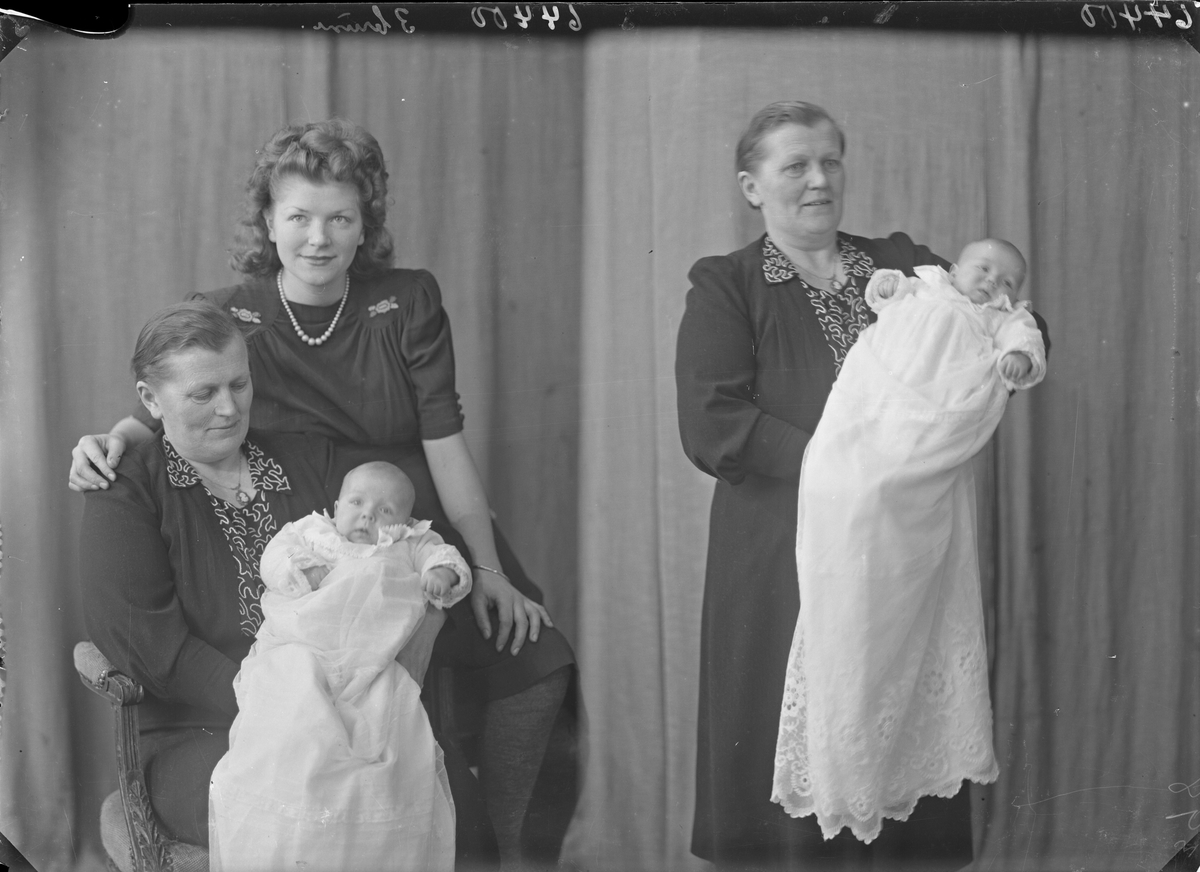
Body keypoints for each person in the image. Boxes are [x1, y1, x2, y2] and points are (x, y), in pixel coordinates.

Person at [68, 119, 576, 867]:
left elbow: (445, 442)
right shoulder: (226, 320)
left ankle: (502, 846)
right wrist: (113, 441)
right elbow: (178, 394)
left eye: (340, 217)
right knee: (334, 779)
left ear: (366, 223)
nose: (317, 236)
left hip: (397, 528)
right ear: (268, 220)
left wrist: (487, 565)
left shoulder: (400, 307)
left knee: (518, 671)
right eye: (298, 216)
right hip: (282, 639)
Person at [674, 101, 1050, 871]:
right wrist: (848, 472)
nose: (819, 180)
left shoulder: (904, 259)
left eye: (830, 162)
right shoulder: (728, 285)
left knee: (900, 740)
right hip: (783, 557)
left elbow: (1002, 308)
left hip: (906, 551)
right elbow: (713, 422)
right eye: (795, 166)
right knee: (800, 766)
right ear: (752, 187)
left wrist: (1008, 354)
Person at [771, 239, 1046, 844]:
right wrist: (887, 289)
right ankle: (842, 762)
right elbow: (883, 293)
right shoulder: (926, 283)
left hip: (929, 431)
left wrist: (1018, 361)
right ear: (955, 269)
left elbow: (1026, 341)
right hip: (876, 412)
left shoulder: (1004, 319)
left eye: (1006, 280)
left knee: (899, 584)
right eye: (982, 270)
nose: (991, 284)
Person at [79, 300, 352, 848]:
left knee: (406, 782)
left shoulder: (305, 461)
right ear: (151, 400)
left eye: (239, 385)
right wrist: (278, 705)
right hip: (195, 731)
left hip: (334, 702)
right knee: (299, 802)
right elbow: (148, 641)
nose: (229, 408)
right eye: (203, 394)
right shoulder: (127, 490)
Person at [209, 462, 472, 872]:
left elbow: (446, 558)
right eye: (357, 502)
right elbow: (275, 557)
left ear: (406, 521)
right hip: (308, 642)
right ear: (335, 505)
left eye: (385, 511)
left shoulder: (411, 542)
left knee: (385, 722)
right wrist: (300, 568)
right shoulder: (314, 533)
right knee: (298, 695)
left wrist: (441, 573)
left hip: (374, 659)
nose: (368, 514)